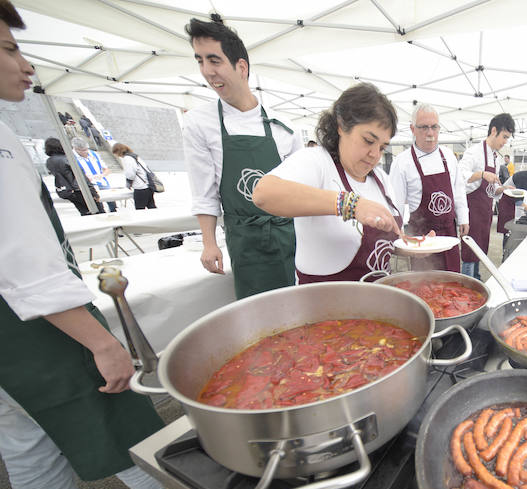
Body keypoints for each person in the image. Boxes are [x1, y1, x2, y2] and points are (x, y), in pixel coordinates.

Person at [0, 1, 179, 489]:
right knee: (114, 413)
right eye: (8, 49)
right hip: (30, 326)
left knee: (23, 438)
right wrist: (100, 340)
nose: (26, 65)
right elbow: (23, 259)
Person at [182, 18, 302, 299]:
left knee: (301, 305)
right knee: (259, 312)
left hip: (290, 234)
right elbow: (204, 192)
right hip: (245, 239)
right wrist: (209, 243)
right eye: (200, 61)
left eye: (215, 60)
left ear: (241, 67)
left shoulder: (283, 126)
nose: (207, 72)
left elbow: (301, 189)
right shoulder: (200, 124)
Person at [253, 83, 403, 283]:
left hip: (378, 304)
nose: (375, 154)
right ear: (341, 126)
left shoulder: (381, 180)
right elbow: (264, 194)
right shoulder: (317, 162)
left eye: (382, 147)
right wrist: (351, 204)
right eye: (368, 140)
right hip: (325, 306)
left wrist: (415, 245)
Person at [388, 103, 468, 272]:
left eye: (434, 127)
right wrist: (398, 236)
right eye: (424, 127)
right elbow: (395, 204)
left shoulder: (448, 156)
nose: (430, 133)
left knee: (453, 281)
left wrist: (463, 217)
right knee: (425, 285)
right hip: (421, 239)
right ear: (412, 129)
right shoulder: (402, 162)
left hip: (449, 234)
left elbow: (458, 190)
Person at [458, 112, 515, 279]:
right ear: (494, 131)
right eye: (504, 137)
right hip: (472, 210)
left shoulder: (496, 157)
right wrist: (481, 174)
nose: (505, 142)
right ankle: (467, 282)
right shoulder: (474, 152)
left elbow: (491, 189)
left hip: (485, 212)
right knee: (470, 251)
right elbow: (460, 175)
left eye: (507, 138)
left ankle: (475, 277)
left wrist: (502, 189)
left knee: (481, 249)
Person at [44, 137, 102, 216]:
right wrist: (93, 192)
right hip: (80, 189)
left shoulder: (49, 161)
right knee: (99, 211)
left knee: (85, 213)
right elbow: (81, 176)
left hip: (68, 191)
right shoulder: (67, 159)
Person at [72, 136, 116, 212]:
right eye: (82, 150)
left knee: (112, 202)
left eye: (86, 149)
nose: (85, 152)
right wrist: (87, 178)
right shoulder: (72, 158)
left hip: (102, 182)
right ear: (76, 149)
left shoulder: (93, 154)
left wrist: (102, 175)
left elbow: (107, 169)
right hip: (89, 185)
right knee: (98, 204)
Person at [111, 142, 157, 210]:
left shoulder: (128, 158)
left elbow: (130, 175)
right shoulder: (135, 156)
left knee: (140, 210)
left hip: (140, 188)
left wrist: (128, 182)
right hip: (148, 186)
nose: (117, 156)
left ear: (118, 151)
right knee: (152, 207)